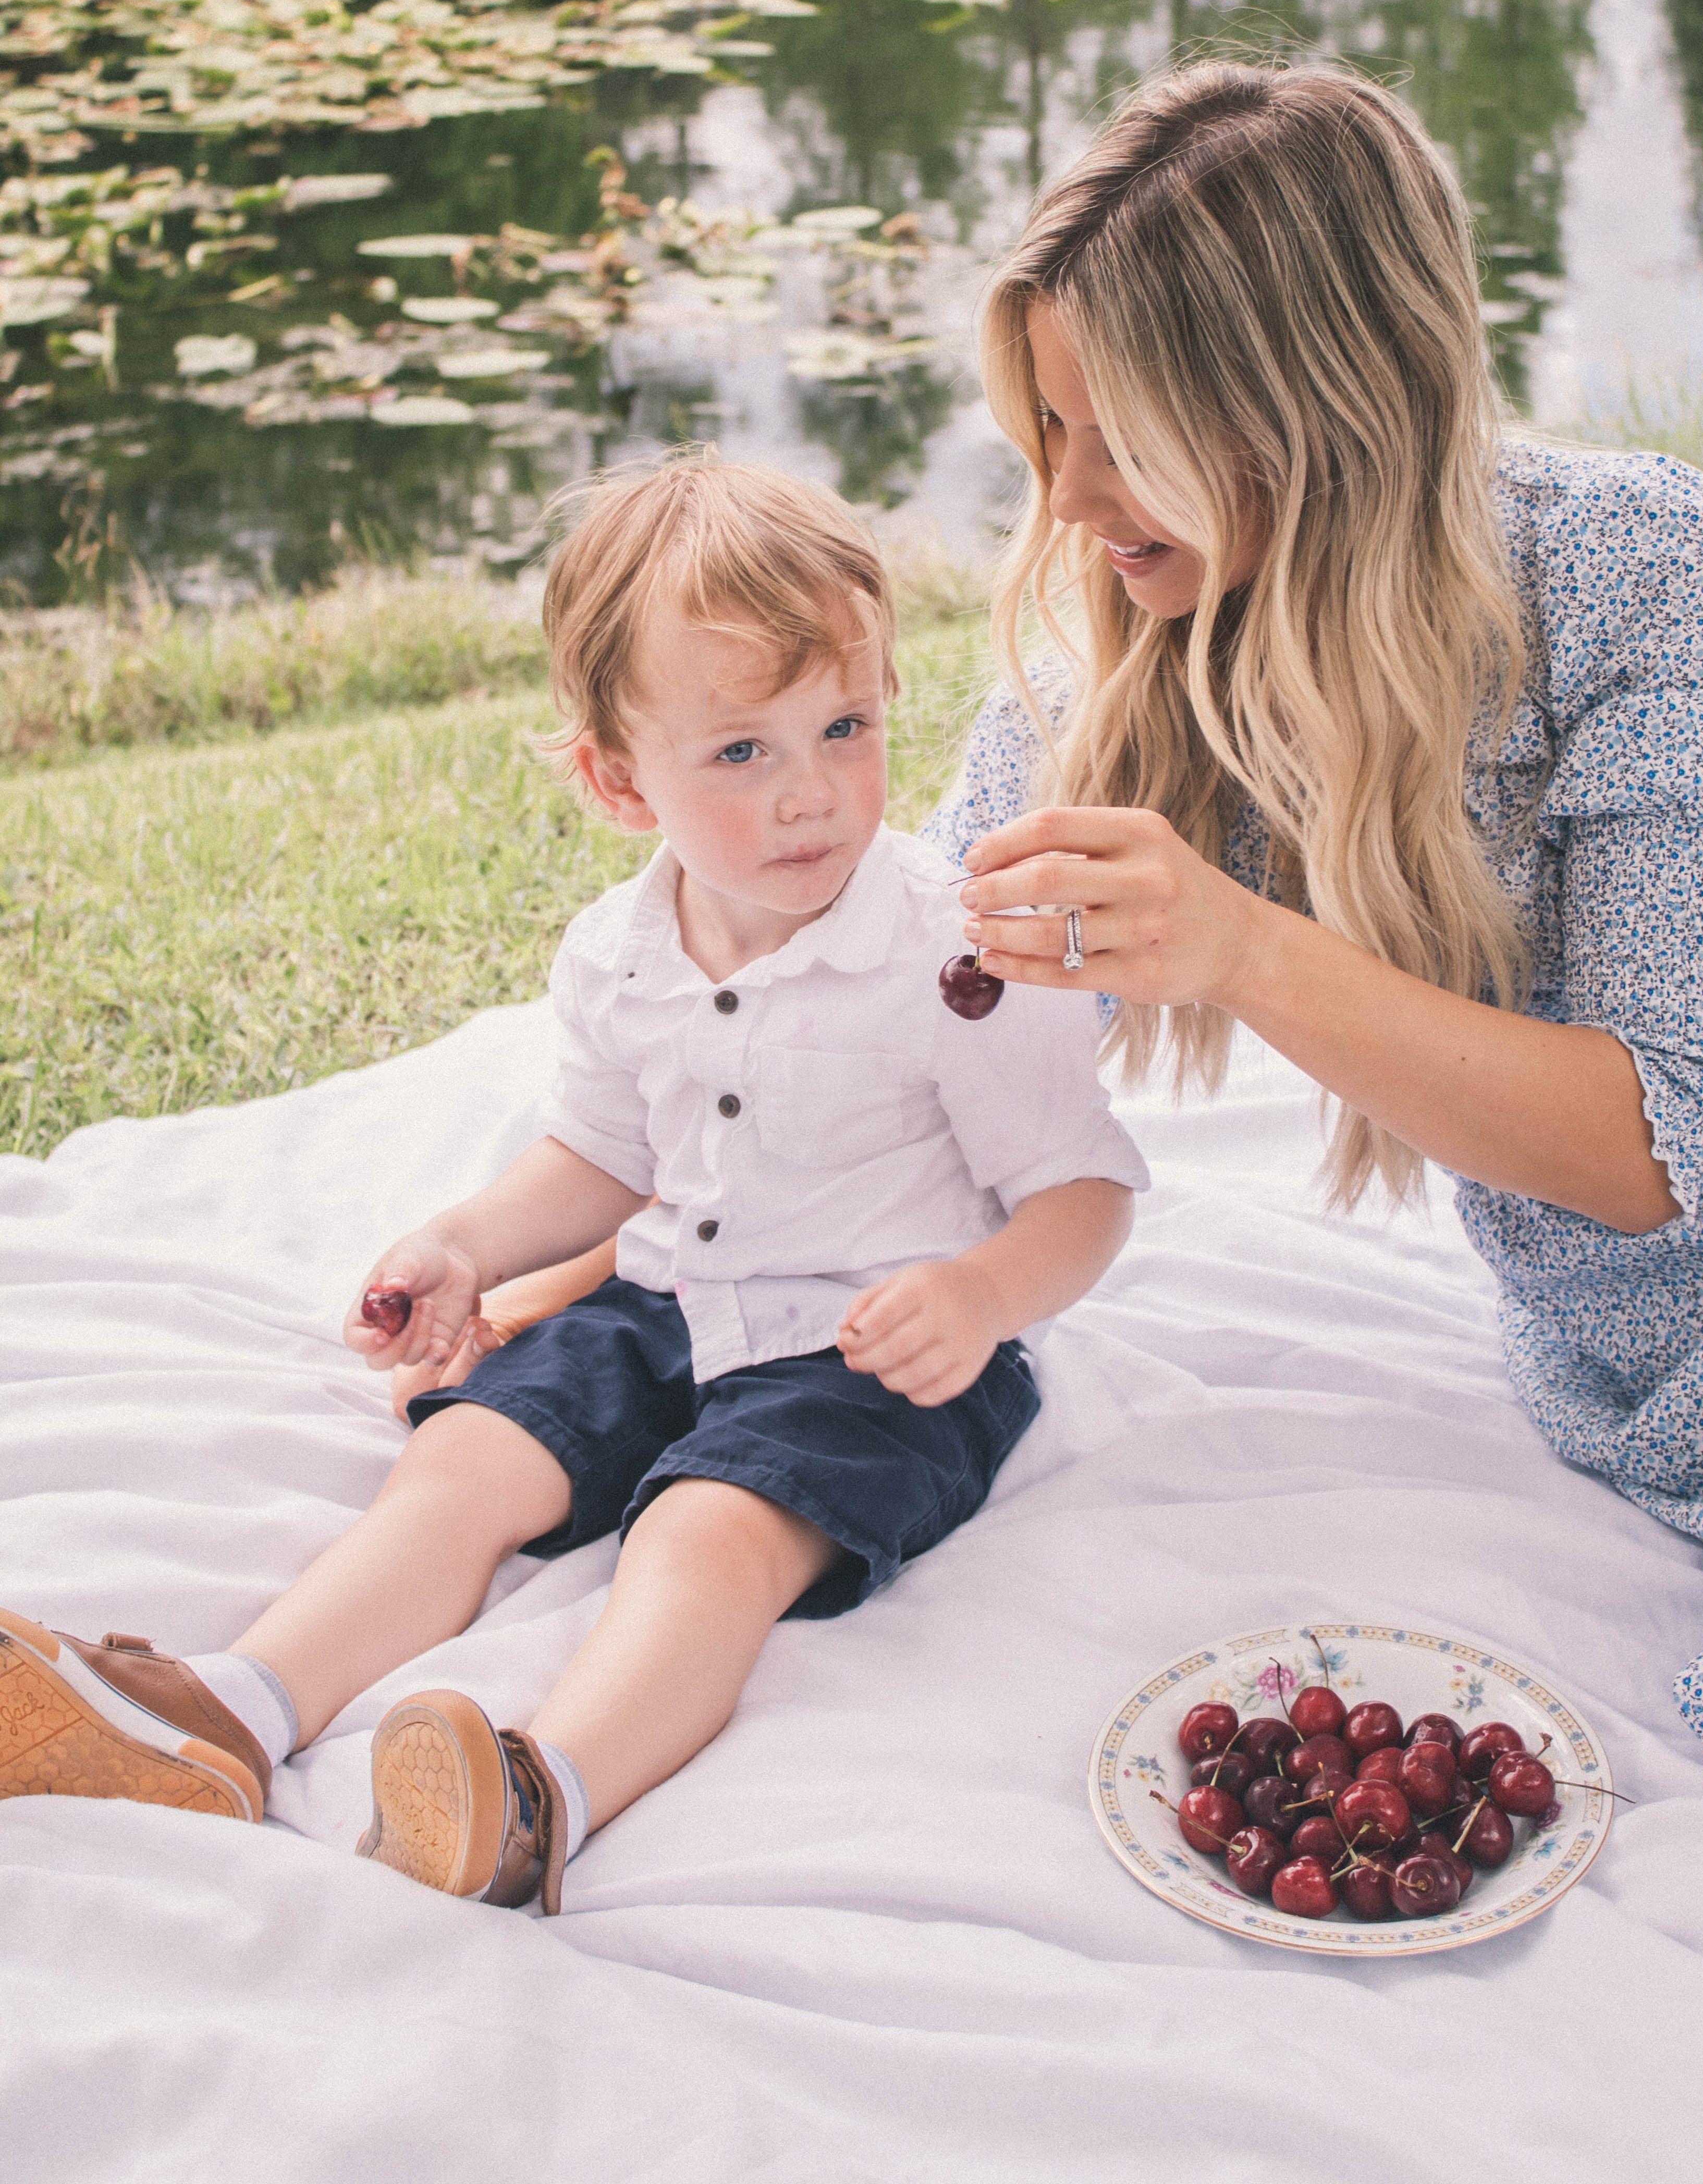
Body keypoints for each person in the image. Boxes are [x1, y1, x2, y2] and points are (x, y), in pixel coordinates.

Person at [0, 458, 1146, 1906]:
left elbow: (1084, 1193)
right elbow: (604, 1161)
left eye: (843, 726)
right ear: (618, 779)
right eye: (742, 753)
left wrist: (979, 1296)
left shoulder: (955, 951)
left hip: (879, 1354)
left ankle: (540, 1799)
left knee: (707, 1529)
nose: (812, 794)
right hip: (665, 1305)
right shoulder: (619, 952)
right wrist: (469, 1242)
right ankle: (236, 1711)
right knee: (464, 1458)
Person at [924, 58, 1703, 1810]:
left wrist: (1244, 951)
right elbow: (913, 1006)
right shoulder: (1144, 633)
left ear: (1322, 402)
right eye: (1050, 432)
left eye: (1129, 438)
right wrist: (601, 1247)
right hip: (1620, 1380)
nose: (1076, 504)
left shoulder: (1642, 574)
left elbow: (1653, 1146)